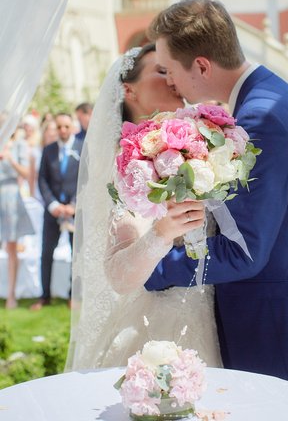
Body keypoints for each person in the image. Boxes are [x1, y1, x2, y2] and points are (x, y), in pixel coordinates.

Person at [145, 0, 288, 397]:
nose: (169, 83)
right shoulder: (269, 95)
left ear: (201, 65)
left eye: (169, 70)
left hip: (282, 324)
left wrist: (151, 265)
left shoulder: (261, 119)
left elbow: (243, 250)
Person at [66, 44, 222, 370]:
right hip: (157, 332)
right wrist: (161, 233)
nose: (173, 79)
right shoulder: (120, 168)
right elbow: (119, 278)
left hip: (221, 316)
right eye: (161, 71)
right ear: (129, 89)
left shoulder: (205, 144)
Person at [30, 113, 83, 310]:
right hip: (52, 211)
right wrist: (52, 204)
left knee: (75, 254)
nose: (62, 130)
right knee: (46, 252)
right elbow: (42, 179)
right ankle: (44, 296)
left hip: (74, 211)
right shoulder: (48, 150)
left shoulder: (82, 148)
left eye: (66, 127)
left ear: (72, 128)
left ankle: (73, 295)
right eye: (59, 127)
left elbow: (86, 180)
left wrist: (75, 205)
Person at [0, 133, 35, 308]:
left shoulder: (19, 144)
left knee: (11, 247)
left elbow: (26, 172)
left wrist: (9, 159)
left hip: (10, 196)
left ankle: (11, 295)